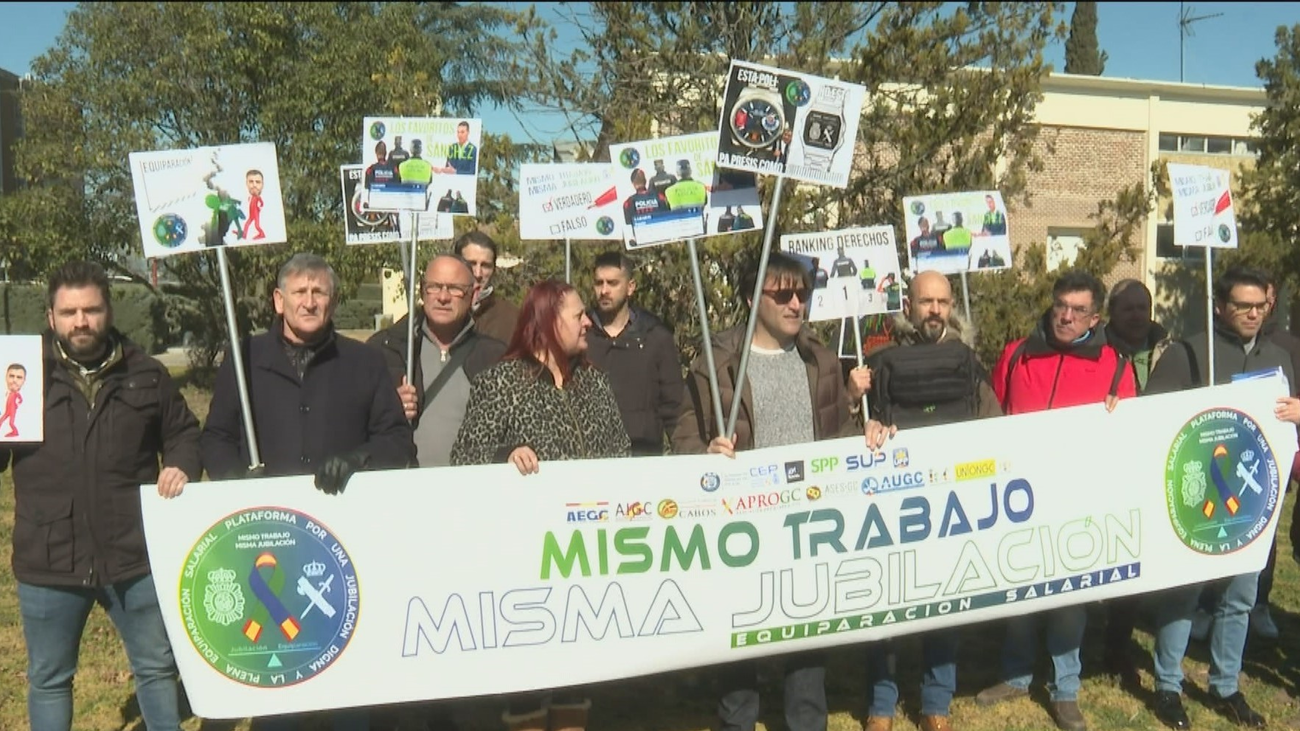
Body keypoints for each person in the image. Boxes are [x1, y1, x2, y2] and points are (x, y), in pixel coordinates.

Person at [202, 254, 414, 730]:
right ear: (279, 301)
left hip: (340, 544)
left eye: (319, 292)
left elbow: (397, 440)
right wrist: (235, 481)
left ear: (333, 300)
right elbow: (214, 437)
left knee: (346, 676)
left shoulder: (364, 362)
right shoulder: (244, 360)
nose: (309, 301)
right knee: (280, 677)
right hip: (267, 537)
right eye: (299, 292)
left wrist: (359, 460)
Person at [673, 251, 874, 731]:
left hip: (806, 524)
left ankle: (807, 722)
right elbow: (683, 436)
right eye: (782, 293)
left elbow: (838, 434)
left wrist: (867, 435)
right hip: (742, 526)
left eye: (802, 294)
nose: (795, 303)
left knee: (806, 637)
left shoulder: (821, 360)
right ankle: (737, 720)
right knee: (739, 636)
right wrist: (704, 454)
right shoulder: (716, 365)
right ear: (751, 298)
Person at [1, 260, 200, 731]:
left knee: (155, 669)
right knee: (49, 679)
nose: (80, 321)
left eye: (90, 310)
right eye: (68, 312)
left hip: (133, 554)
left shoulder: (146, 374)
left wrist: (182, 464)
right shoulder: (23, 377)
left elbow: (185, 434)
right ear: (51, 317)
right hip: (48, 557)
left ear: (108, 311)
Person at [451, 280, 630, 731]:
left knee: (575, 678)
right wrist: (504, 457)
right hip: (523, 566)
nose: (588, 321)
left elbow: (622, 456)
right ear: (548, 322)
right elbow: (465, 462)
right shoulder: (501, 382)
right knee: (528, 680)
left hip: (585, 559)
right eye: (578, 315)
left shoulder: (594, 382)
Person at [977, 270, 1136, 731]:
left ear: (1095, 317)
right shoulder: (1016, 354)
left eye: (1078, 309)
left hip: (1078, 500)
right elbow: (995, 418)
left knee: (1070, 600)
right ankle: (1016, 673)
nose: (1066, 316)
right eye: (1060, 305)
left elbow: (1126, 435)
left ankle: (1066, 689)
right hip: (1020, 498)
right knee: (1020, 587)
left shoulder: (1115, 366)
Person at [1143, 266, 1300, 731]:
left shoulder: (1279, 355)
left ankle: (1225, 683)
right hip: (1197, 500)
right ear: (1220, 307)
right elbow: (1153, 417)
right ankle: (1168, 685)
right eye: (1241, 306)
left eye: (1259, 305)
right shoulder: (1190, 353)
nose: (1252, 313)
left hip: (1251, 500)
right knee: (1184, 596)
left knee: (1240, 596)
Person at [858, 270, 1002, 731]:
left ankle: (936, 703)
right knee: (887, 603)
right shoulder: (881, 363)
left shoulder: (968, 361)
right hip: (895, 502)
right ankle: (882, 703)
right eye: (926, 302)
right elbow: (863, 428)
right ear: (908, 308)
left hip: (953, 499)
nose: (935, 310)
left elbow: (991, 422)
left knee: (946, 603)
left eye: (942, 302)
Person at [1098, 279, 1171, 684]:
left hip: (1157, 460)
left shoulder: (1170, 348)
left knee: (1143, 555)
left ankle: (1123, 644)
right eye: (1128, 308)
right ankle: (1108, 640)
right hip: (1111, 463)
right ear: (1111, 312)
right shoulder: (1097, 350)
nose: (1137, 315)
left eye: (1143, 306)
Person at [369, 254, 506, 468]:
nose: (443, 297)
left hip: (473, 489)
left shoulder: (496, 357)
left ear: (473, 294)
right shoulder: (385, 349)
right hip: (401, 487)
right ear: (423, 291)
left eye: (454, 288)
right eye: (434, 286)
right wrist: (387, 407)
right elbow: (349, 421)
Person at [585, 251, 683, 456]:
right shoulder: (580, 336)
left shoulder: (655, 337)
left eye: (612, 283)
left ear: (630, 287)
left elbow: (675, 409)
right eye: (598, 283)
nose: (604, 291)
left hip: (643, 459)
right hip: (590, 461)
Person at [455, 230, 520, 344]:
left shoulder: (512, 318)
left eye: (485, 266)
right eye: (471, 264)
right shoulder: (437, 312)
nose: (478, 273)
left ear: (494, 270)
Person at [1, 362, 24, 436]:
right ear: (6, 377)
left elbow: (20, 399)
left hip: (12, 410)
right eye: (11, 376)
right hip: (8, 410)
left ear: (24, 380)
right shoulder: (4, 394)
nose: (14, 380)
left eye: (19, 377)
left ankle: (15, 432)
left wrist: (17, 404)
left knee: (11, 422)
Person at [244, 169, 267, 240]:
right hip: (251, 214)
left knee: (257, 225)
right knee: (247, 224)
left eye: (257, 182)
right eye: (251, 182)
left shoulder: (257, 197)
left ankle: (262, 234)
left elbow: (262, 203)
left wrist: (259, 207)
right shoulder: (250, 197)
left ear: (262, 184)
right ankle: (244, 235)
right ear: (246, 183)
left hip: (255, 213)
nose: (254, 185)